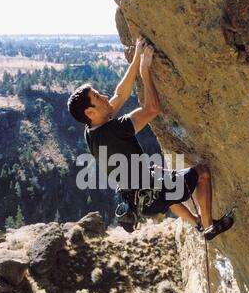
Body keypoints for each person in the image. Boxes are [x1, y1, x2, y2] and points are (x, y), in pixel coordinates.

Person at [67, 36, 234, 240]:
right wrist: (145, 72)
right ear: (90, 112)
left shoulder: (91, 131)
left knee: (164, 179)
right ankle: (209, 227)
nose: (103, 97)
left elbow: (120, 95)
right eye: (97, 97)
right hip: (151, 196)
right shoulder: (114, 130)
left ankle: (198, 223)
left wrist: (137, 58)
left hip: (137, 199)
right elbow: (152, 109)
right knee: (203, 173)